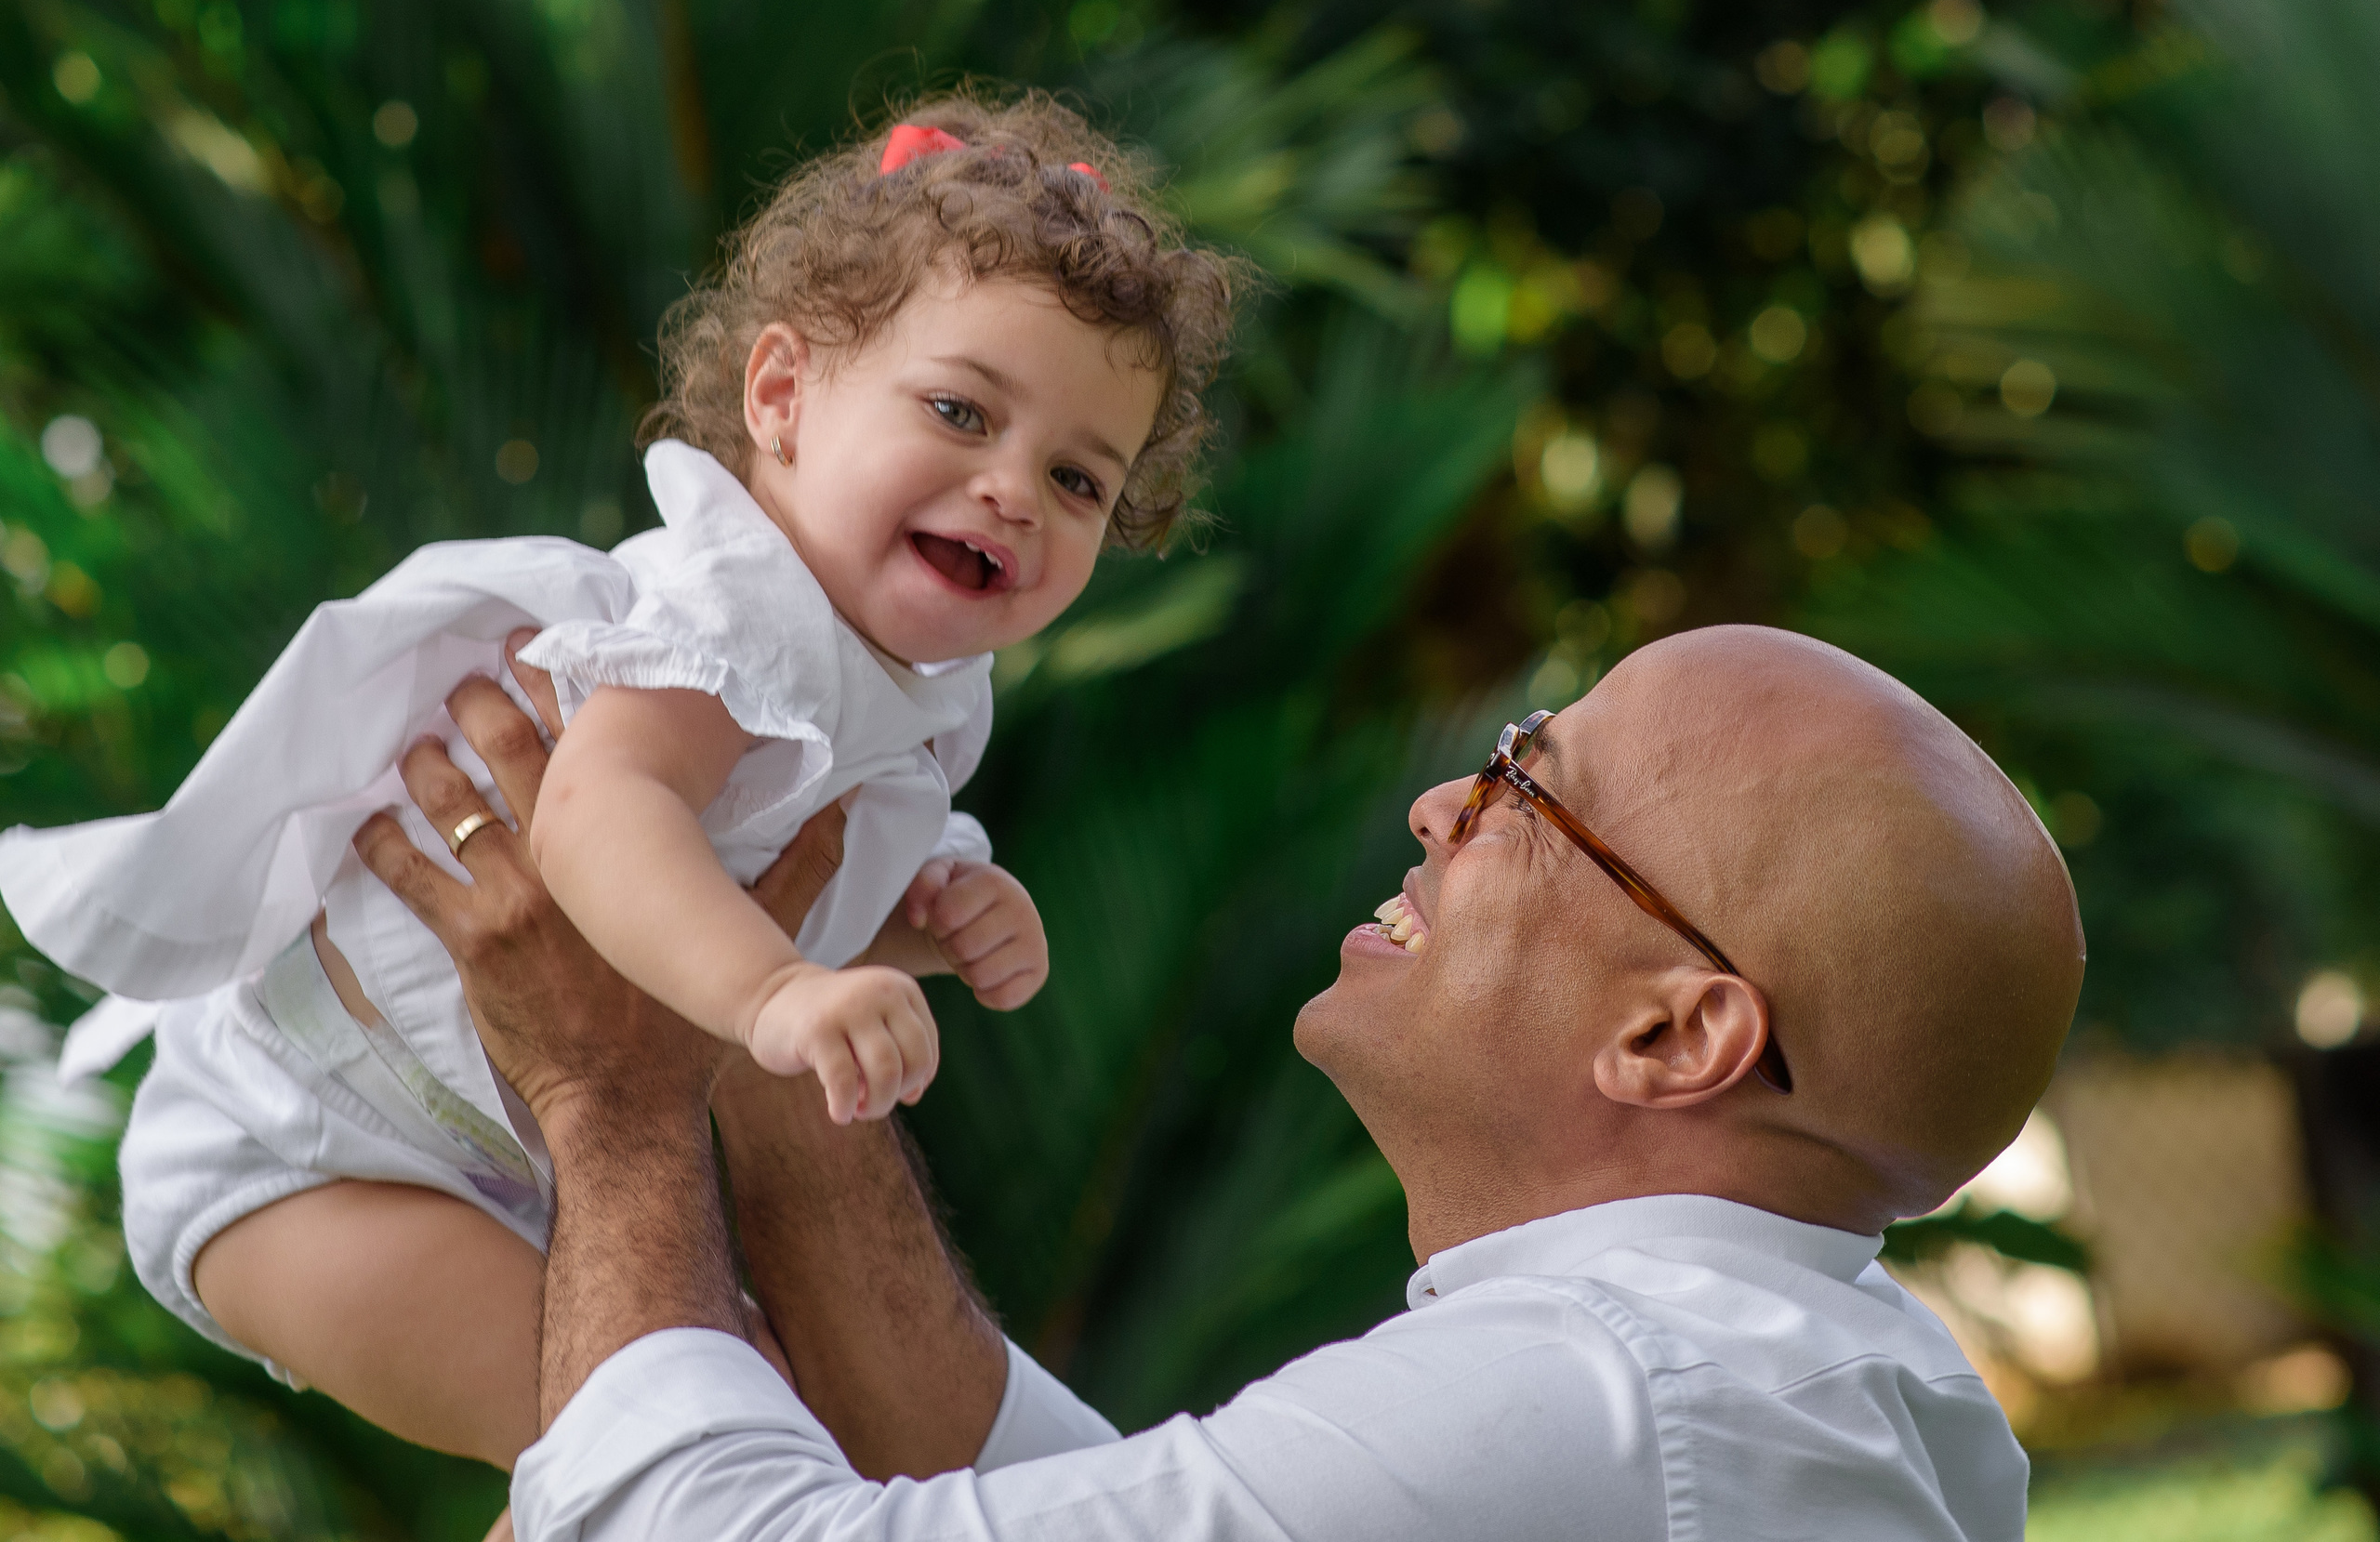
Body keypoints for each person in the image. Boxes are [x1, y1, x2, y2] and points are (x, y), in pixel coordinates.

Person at [0, 95, 1238, 1475]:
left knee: (709, 1439)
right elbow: (602, 818)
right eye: (960, 411)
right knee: (667, 1443)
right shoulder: (731, 607)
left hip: (471, 1160)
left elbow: (760, 875)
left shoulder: (915, 693)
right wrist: (777, 993)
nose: (1014, 489)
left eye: (1078, 477)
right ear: (781, 395)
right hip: (294, 1154)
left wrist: (919, 920)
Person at [366, 622, 2084, 1540]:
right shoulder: (1782, 1371)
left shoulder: (1611, 1393)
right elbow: (1079, 1490)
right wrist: (748, 1009)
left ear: (1670, 1035)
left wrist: (607, 1090)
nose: (1439, 807)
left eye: (1522, 789)